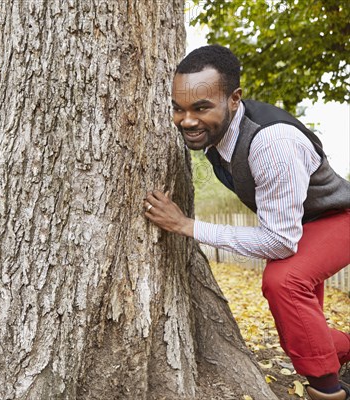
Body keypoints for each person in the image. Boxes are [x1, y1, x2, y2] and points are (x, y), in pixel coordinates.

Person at [143, 45, 350, 400]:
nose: (187, 120)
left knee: (284, 281)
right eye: (179, 108)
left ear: (234, 99)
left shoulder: (272, 143)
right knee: (299, 330)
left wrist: (187, 225)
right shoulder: (217, 133)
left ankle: (330, 392)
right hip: (302, 221)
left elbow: (280, 241)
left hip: (337, 218)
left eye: (201, 107)